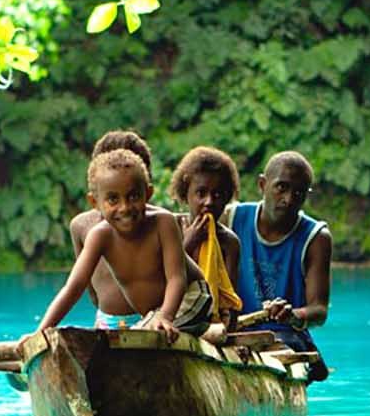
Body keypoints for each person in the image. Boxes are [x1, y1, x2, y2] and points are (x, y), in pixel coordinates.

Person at [36, 149, 212, 338]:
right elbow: (74, 287)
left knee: (140, 336)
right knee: (134, 334)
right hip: (154, 314)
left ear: (148, 194)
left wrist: (164, 316)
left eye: (134, 196)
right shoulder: (99, 236)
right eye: (113, 199)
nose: (125, 208)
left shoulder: (163, 223)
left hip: (192, 298)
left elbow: (177, 278)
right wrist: (40, 333)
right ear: (95, 202)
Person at [227, 150, 330, 353]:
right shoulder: (232, 218)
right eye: (281, 187)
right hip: (234, 330)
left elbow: (319, 310)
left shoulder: (316, 237)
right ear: (262, 185)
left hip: (286, 337)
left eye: (299, 193)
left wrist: (293, 316)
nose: (289, 199)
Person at [169, 145, 244, 324]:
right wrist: (188, 243)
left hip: (213, 324)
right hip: (171, 318)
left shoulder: (229, 242)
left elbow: (230, 300)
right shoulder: (171, 228)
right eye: (201, 193)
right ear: (186, 193)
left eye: (218, 194)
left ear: (227, 198)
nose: (209, 202)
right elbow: (158, 282)